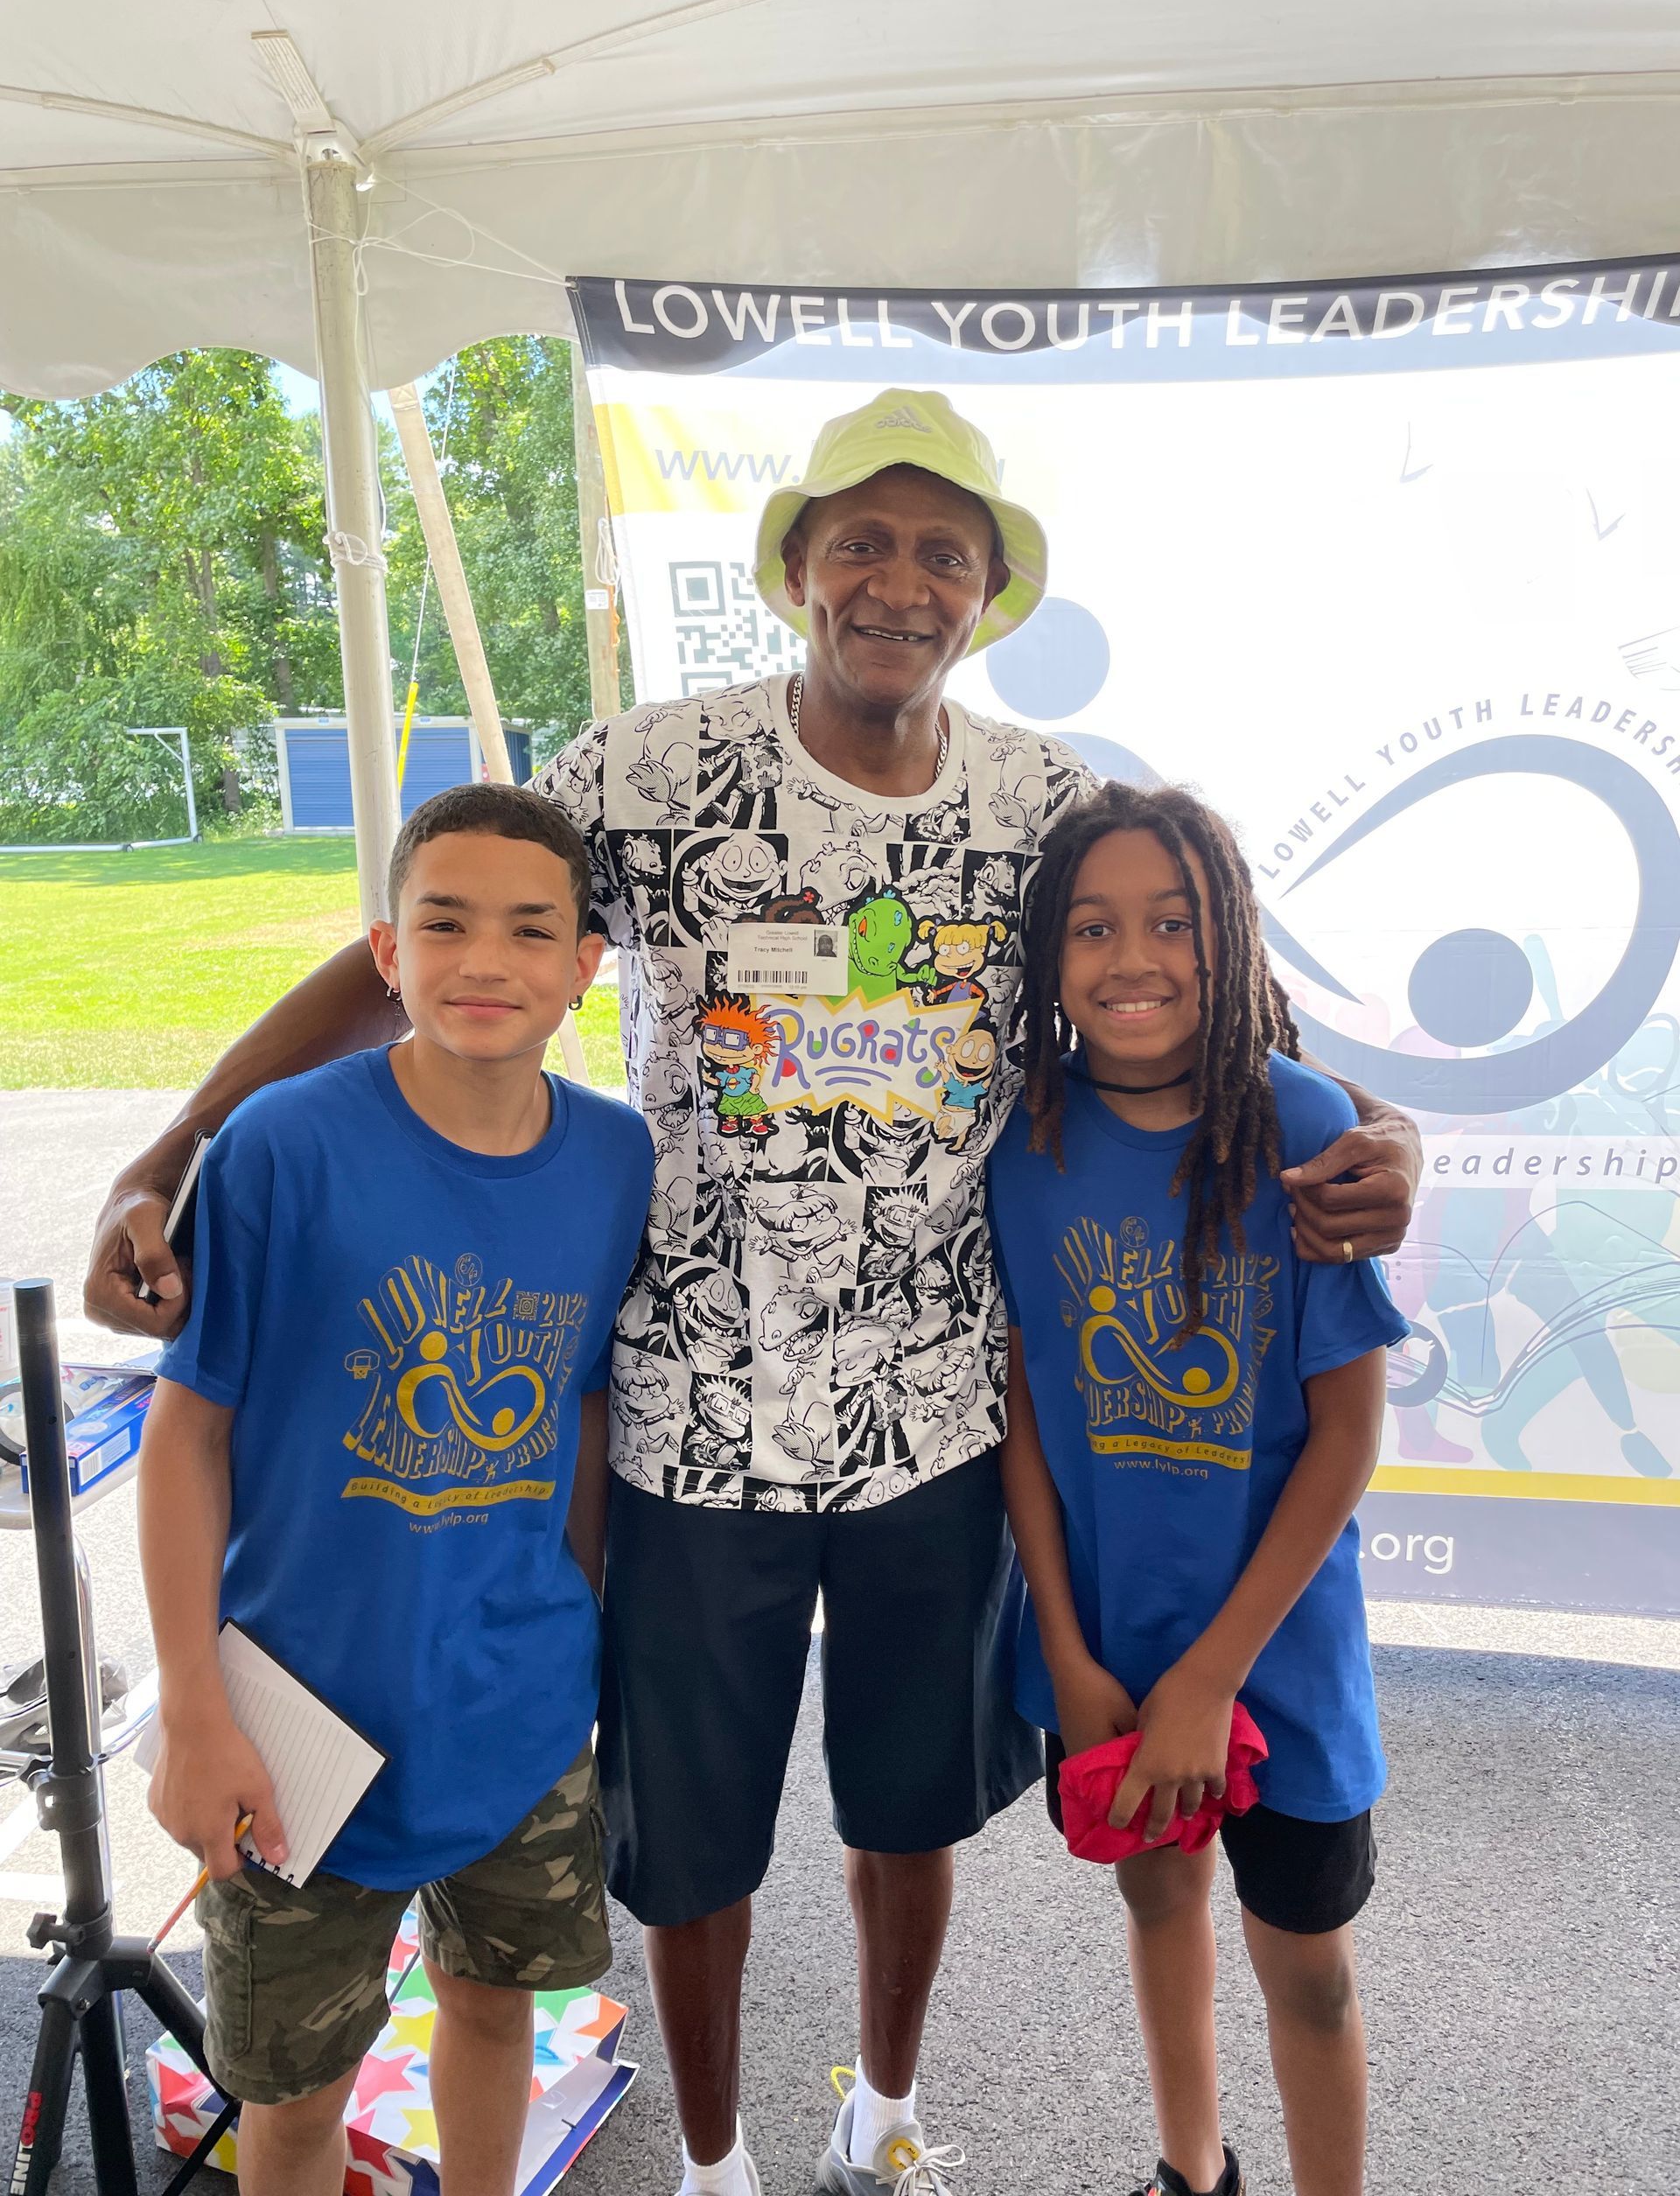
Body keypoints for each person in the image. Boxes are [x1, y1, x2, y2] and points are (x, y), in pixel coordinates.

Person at [88, 388, 1422, 2196]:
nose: (898, 581)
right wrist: (172, 1145)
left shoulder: (1042, 802)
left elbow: (1186, 950)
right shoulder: (645, 771)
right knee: (688, 1842)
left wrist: (1381, 1121)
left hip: (935, 1416)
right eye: (861, 542)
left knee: (906, 1811)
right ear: (798, 567)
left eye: (942, 552)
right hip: (690, 1410)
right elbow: (411, 940)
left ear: (987, 594)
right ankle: (713, 2157)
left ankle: (879, 2108)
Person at [136, 784, 653, 2196]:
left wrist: (586, 1634)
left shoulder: (617, 1159)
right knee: (292, 2097)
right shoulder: (283, 1147)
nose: (486, 961)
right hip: (296, 1718)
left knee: (494, 2008)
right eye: (445, 923)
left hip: (521, 1702)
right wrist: (193, 1705)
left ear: (584, 969)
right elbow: (186, 1436)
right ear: (386, 952)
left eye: (531, 930)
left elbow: (591, 1406)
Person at [989, 780, 1409, 2196]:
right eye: (1094, 927)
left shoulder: (1300, 1121)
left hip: (1277, 1665)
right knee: (1158, 1903)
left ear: (1226, 938)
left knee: (1312, 1978)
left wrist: (1215, 1677)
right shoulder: (1025, 1141)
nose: (1134, 959)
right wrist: (1062, 1646)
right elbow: (1031, 1415)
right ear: (1049, 955)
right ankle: (1190, 2171)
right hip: (1106, 1653)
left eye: (1172, 922)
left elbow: (1346, 1436)